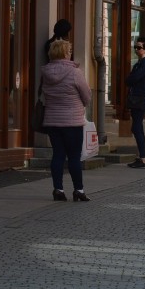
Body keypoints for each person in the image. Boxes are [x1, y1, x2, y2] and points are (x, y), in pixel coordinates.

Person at [41, 40, 92, 202]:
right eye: (69, 50)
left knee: (58, 155)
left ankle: (58, 189)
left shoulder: (46, 72)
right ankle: (78, 189)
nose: (70, 52)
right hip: (72, 122)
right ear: (64, 52)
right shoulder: (75, 73)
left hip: (53, 121)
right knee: (74, 157)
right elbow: (87, 96)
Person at [125, 36, 145, 168]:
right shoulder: (139, 63)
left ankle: (142, 159)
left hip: (140, 98)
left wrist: (130, 79)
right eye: (135, 47)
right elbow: (130, 79)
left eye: (139, 47)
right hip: (136, 97)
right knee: (137, 127)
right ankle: (141, 158)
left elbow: (133, 78)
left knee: (136, 127)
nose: (136, 49)